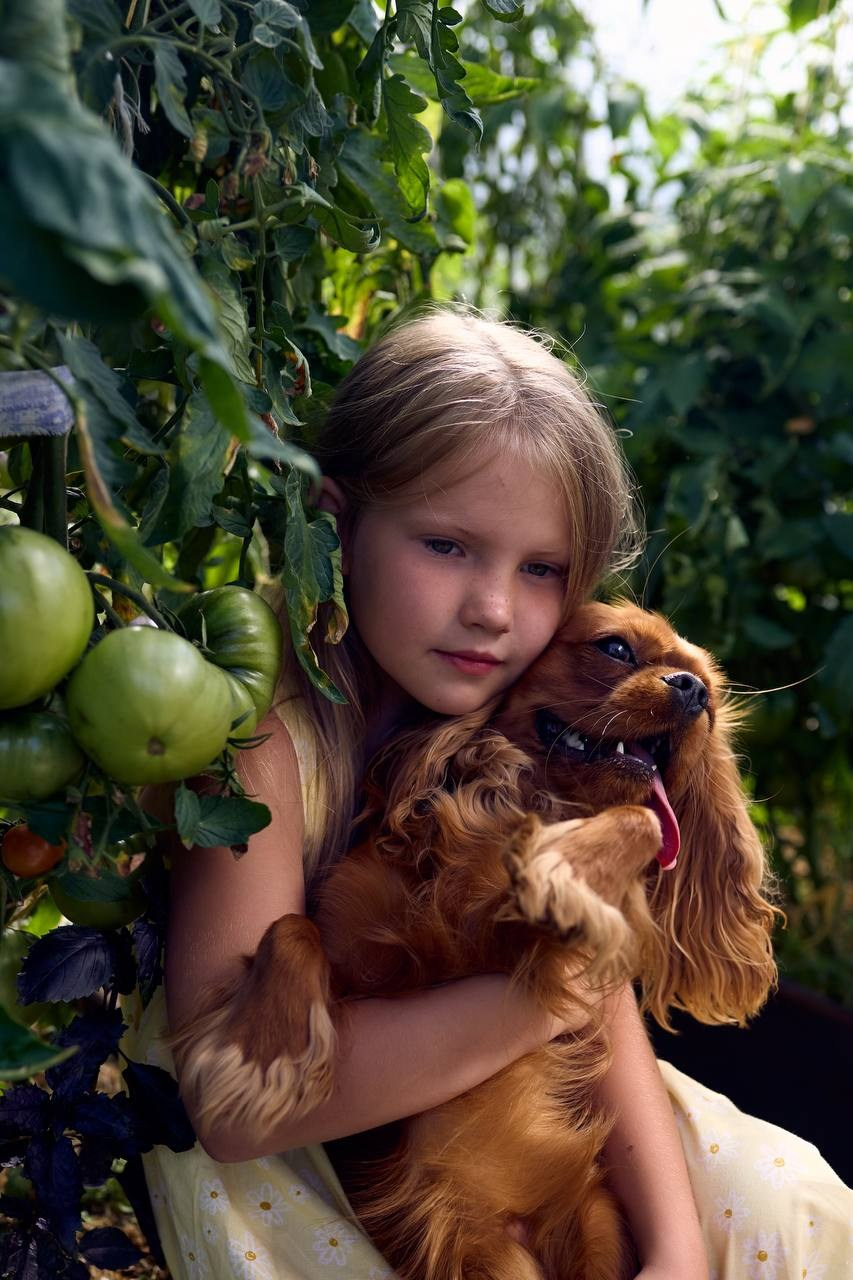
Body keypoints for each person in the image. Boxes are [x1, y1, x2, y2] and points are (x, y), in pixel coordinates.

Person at [122, 306, 851, 1280]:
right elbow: (233, 1113)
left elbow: (596, 978)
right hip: (313, 1172)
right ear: (334, 522)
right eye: (448, 545)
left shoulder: (518, 691)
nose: (495, 609)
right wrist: (544, 995)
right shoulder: (261, 739)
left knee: (783, 1199)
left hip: (522, 1107)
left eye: (541, 568)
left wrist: (673, 1246)